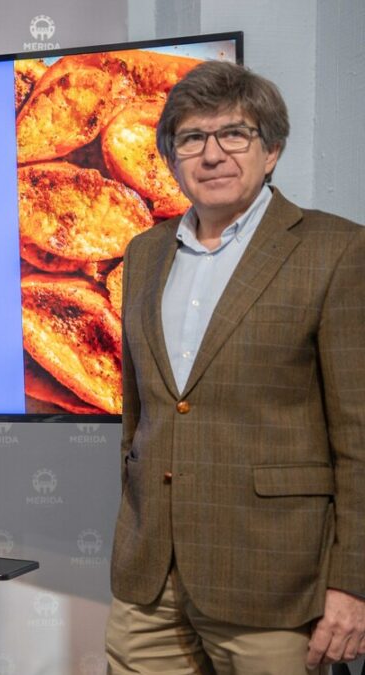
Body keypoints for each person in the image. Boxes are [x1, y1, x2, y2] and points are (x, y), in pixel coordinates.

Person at [106, 60, 365, 673]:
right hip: (149, 582)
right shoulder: (143, 254)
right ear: (171, 158)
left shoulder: (337, 251)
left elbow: (359, 438)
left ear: (271, 150)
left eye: (234, 134)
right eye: (192, 138)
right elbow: (141, 418)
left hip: (274, 585)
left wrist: (352, 584)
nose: (212, 153)